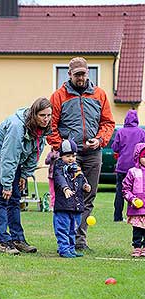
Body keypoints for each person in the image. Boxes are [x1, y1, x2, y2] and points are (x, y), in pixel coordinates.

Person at [47, 56, 115, 251]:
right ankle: (67, 238)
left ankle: (80, 240)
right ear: (69, 74)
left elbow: (108, 123)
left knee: (88, 195)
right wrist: (62, 147)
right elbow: (51, 127)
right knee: (67, 196)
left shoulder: (99, 95)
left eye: (83, 74)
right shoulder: (59, 96)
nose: (80, 78)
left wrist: (100, 140)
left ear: (88, 73)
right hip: (69, 157)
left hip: (94, 153)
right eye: (76, 74)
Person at [0, 97, 52, 255]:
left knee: (15, 199)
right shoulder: (17, 127)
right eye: (43, 115)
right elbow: (9, 157)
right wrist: (7, 185)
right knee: (2, 197)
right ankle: (4, 242)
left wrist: (24, 175)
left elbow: (35, 152)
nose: (46, 119)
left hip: (15, 159)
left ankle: (18, 239)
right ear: (34, 114)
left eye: (49, 115)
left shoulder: (42, 128)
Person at [53, 139, 91, 258]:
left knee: (73, 229)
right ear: (62, 156)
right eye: (68, 156)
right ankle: (63, 249)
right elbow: (60, 179)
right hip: (63, 206)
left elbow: (82, 179)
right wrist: (65, 188)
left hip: (76, 206)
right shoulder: (59, 168)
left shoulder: (77, 168)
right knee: (62, 228)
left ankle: (70, 248)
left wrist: (85, 186)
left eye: (73, 156)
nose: (71, 158)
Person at [111, 109, 145, 222]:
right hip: (137, 168)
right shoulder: (141, 132)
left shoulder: (120, 132)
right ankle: (137, 215)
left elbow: (115, 148)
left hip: (122, 167)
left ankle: (117, 217)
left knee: (120, 191)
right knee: (138, 192)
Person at [122, 143, 145, 257]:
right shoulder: (133, 172)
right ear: (138, 157)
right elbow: (125, 189)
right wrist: (132, 199)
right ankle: (137, 247)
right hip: (137, 208)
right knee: (137, 229)